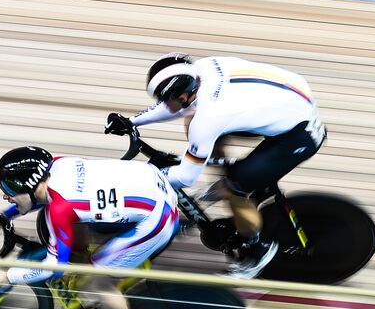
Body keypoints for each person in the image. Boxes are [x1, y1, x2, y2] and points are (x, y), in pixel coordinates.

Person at [105, 52, 326, 278]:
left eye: (166, 98)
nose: (163, 103)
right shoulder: (201, 69)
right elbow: (177, 105)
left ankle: (257, 250)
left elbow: (185, 177)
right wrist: (132, 121)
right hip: (288, 103)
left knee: (234, 187)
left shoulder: (210, 117)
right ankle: (222, 179)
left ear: (183, 94)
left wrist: (148, 177)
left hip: (299, 136)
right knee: (196, 124)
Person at [0, 146, 180, 309]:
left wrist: (9, 276)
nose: (5, 195)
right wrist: (5, 216)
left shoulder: (60, 208)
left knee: (95, 282)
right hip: (154, 186)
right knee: (69, 226)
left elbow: (54, 268)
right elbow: (34, 197)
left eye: (10, 188)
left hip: (157, 220)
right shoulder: (56, 164)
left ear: (32, 182)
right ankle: (103, 271)